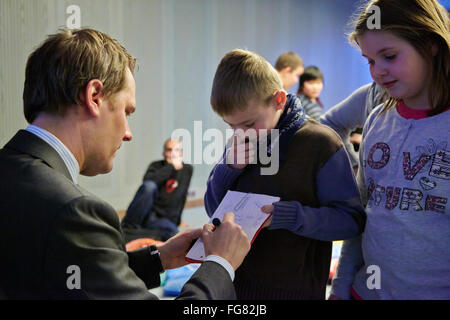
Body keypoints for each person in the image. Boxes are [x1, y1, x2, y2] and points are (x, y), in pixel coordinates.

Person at [0, 28, 251, 300]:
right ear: (94, 96)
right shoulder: (73, 211)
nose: (128, 133)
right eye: (126, 111)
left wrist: (159, 259)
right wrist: (219, 265)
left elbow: (59, 274)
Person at [205, 49, 366, 299]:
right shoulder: (240, 140)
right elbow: (214, 210)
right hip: (236, 287)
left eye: (248, 124)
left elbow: (350, 221)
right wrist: (228, 170)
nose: (240, 133)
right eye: (230, 126)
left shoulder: (320, 143)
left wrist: (288, 216)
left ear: (278, 100)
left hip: (295, 290)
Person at [330, 0, 450, 300]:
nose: (378, 72)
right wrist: (341, 287)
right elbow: (363, 218)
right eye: (370, 61)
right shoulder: (377, 119)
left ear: (431, 44)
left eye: (389, 56)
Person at [121, 138, 193, 242]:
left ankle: (145, 232)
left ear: (181, 153)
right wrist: (170, 166)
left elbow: (181, 196)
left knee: (174, 235)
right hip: (146, 214)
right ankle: (128, 227)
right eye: (169, 150)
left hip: (163, 220)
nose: (173, 154)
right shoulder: (156, 166)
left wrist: (178, 220)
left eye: (176, 150)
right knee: (150, 186)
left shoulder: (187, 170)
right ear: (164, 153)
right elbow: (147, 185)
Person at [320, 82, 386, 173]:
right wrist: (353, 163)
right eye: (372, 66)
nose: (380, 71)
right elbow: (330, 123)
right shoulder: (371, 94)